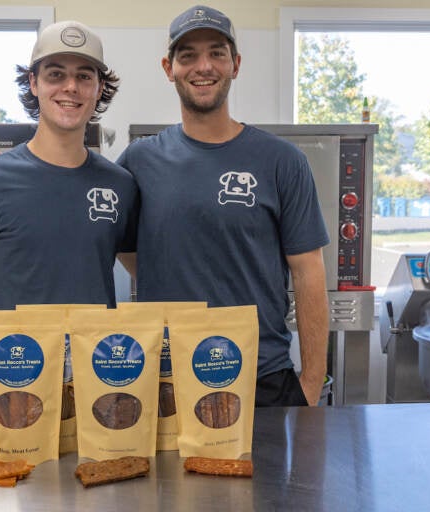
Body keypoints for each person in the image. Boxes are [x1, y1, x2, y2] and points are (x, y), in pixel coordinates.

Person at [116, 5, 330, 407]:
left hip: (261, 378)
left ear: (235, 64)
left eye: (217, 52)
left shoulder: (281, 161)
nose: (204, 66)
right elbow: (114, 236)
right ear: (169, 68)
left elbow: (308, 272)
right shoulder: (139, 161)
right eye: (188, 55)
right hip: (168, 383)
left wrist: (311, 383)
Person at [0, 20, 138, 409]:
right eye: (56, 74)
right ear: (34, 83)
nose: (70, 87)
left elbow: (148, 273)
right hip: (12, 375)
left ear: (98, 89)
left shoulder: (120, 185)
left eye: (84, 76)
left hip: (95, 381)